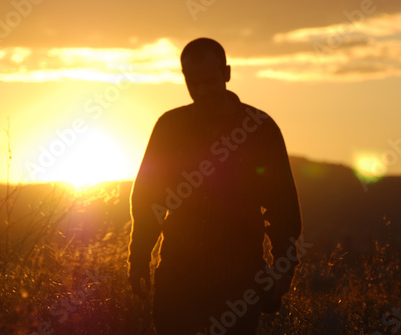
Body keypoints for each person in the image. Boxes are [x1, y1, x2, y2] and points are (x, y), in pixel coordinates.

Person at [128, 37, 302, 335]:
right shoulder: (169, 127)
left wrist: (283, 266)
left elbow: (282, 204)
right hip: (178, 281)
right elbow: (148, 200)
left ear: (227, 73)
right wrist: (139, 258)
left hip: (239, 281)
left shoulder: (260, 129)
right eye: (194, 82)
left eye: (210, 80)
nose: (203, 90)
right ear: (184, 78)